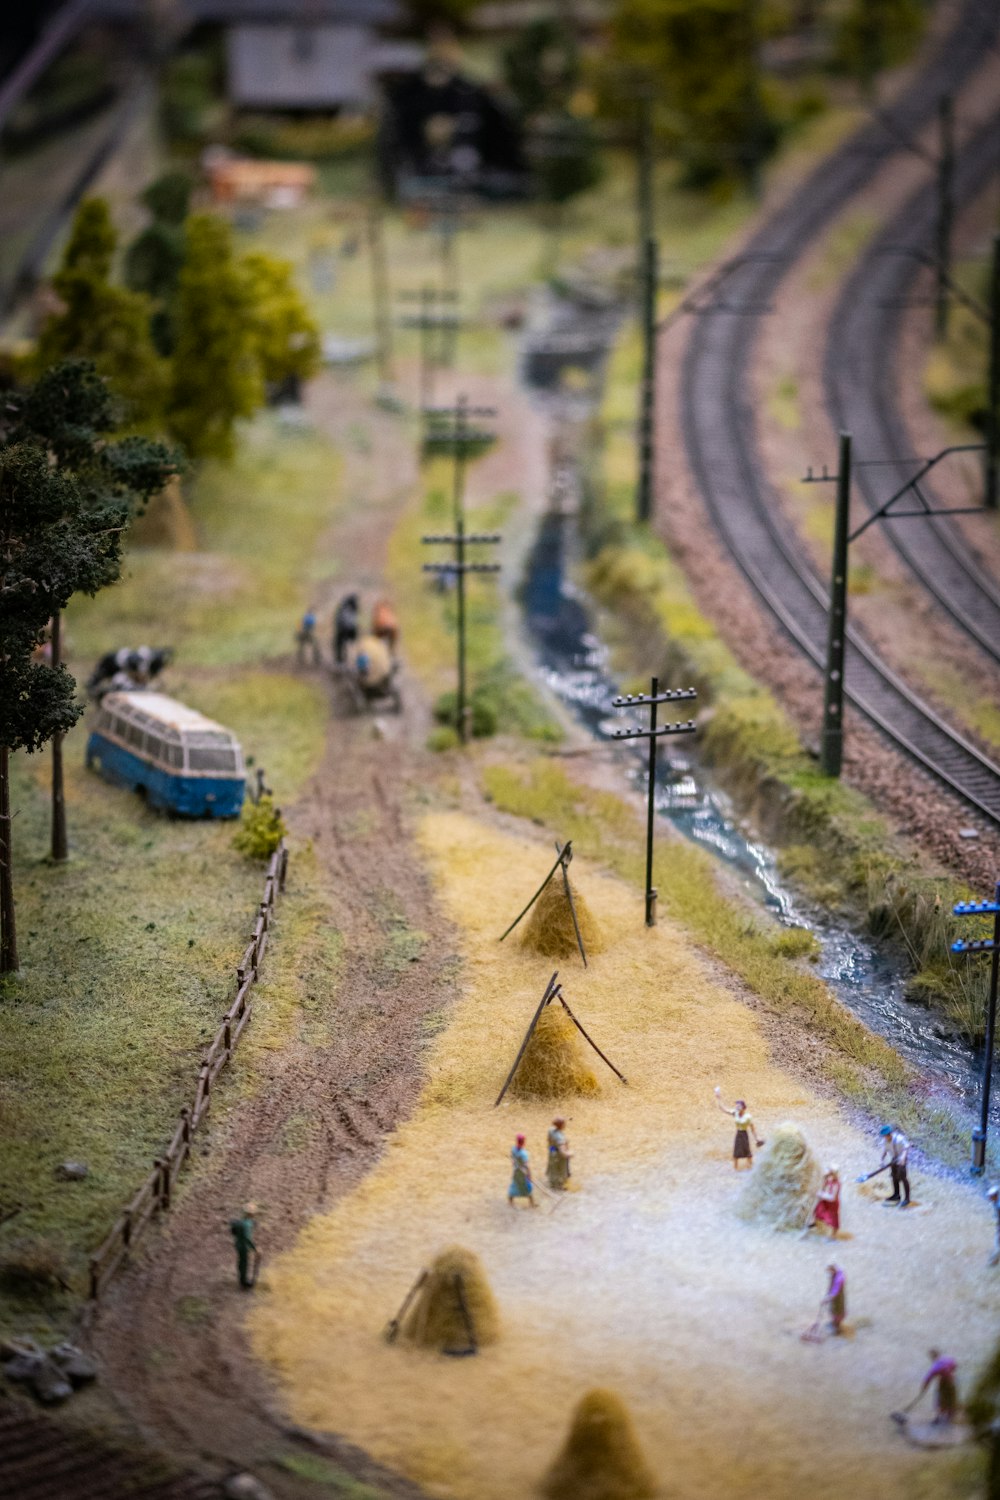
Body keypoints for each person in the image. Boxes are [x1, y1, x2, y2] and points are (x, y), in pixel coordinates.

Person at [714, 1087, 764, 1168]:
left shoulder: (748, 1117)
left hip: (744, 1135)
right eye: (737, 1105)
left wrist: (757, 1138)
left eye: (739, 1105)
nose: (737, 1107)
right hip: (738, 1134)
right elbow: (723, 1109)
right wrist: (718, 1098)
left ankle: (751, 1168)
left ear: (744, 1108)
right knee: (736, 1154)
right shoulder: (735, 1113)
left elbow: (752, 1128)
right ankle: (735, 1169)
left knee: (748, 1153)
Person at [920, 1350, 959, 1425]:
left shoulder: (936, 1366)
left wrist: (924, 1388)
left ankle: (939, 1418)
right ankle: (950, 1416)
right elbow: (955, 1366)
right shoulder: (948, 1358)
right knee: (952, 1398)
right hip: (953, 1380)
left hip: (944, 1383)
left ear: (932, 1357)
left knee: (940, 1399)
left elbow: (928, 1378)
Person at [879, 1124, 911, 1207]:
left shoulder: (899, 1139)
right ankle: (896, 1195)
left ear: (889, 1134)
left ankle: (907, 1199)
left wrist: (903, 1158)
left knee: (903, 1178)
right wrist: (881, 1160)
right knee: (894, 1177)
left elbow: (907, 1146)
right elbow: (885, 1150)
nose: (884, 1137)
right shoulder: (885, 1141)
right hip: (893, 1159)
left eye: (885, 1136)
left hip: (901, 1159)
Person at [805, 1168, 842, 1239]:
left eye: (831, 1173)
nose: (829, 1175)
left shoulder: (837, 1184)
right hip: (826, 1201)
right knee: (817, 1210)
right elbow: (823, 1187)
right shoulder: (829, 1180)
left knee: (834, 1220)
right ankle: (813, 1223)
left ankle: (833, 1236)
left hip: (833, 1203)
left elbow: (833, 1197)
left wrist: (821, 1194)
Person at [230, 1203, 259, 1289]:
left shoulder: (241, 1222)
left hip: (238, 1244)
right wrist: (254, 1248)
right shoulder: (247, 1224)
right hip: (244, 1246)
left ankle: (242, 1279)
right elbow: (247, 1238)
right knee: (244, 1263)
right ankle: (243, 1282)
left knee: (241, 1262)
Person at [508, 1133, 537, 1208]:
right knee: (527, 1188)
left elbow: (512, 1157)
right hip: (522, 1173)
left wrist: (514, 1163)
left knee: (514, 1185)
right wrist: (529, 1175)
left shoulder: (513, 1149)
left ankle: (511, 1202)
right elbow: (526, 1165)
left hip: (516, 1171)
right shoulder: (523, 1153)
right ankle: (532, 1203)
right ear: (524, 1142)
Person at [333, 593, 360, 664]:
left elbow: (340, 619)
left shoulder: (344, 607)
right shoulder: (353, 608)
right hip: (350, 629)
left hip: (344, 629)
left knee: (340, 644)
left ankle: (341, 659)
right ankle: (343, 658)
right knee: (344, 644)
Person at [546, 1116, 571, 1191]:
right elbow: (562, 1151)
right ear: (561, 1125)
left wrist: (551, 1148)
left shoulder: (550, 1130)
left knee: (552, 1167)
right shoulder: (559, 1137)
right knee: (561, 1169)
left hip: (552, 1151)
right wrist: (570, 1154)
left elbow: (548, 1140)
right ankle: (560, 1185)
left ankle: (552, 1182)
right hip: (559, 1155)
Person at [823, 1263, 846, 1335]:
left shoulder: (838, 1279)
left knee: (837, 1311)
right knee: (834, 1310)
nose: (829, 1274)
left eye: (830, 1272)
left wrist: (826, 1300)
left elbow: (835, 1292)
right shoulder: (838, 1272)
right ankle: (835, 1324)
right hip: (837, 1297)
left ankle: (837, 1329)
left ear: (833, 1270)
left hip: (837, 1298)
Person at [988, 1185, 1000, 1267]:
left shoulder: (998, 1205)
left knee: (998, 1246)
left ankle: (993, 1263)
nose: (989, 1198)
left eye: (991, 1196)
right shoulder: (996, 1203)